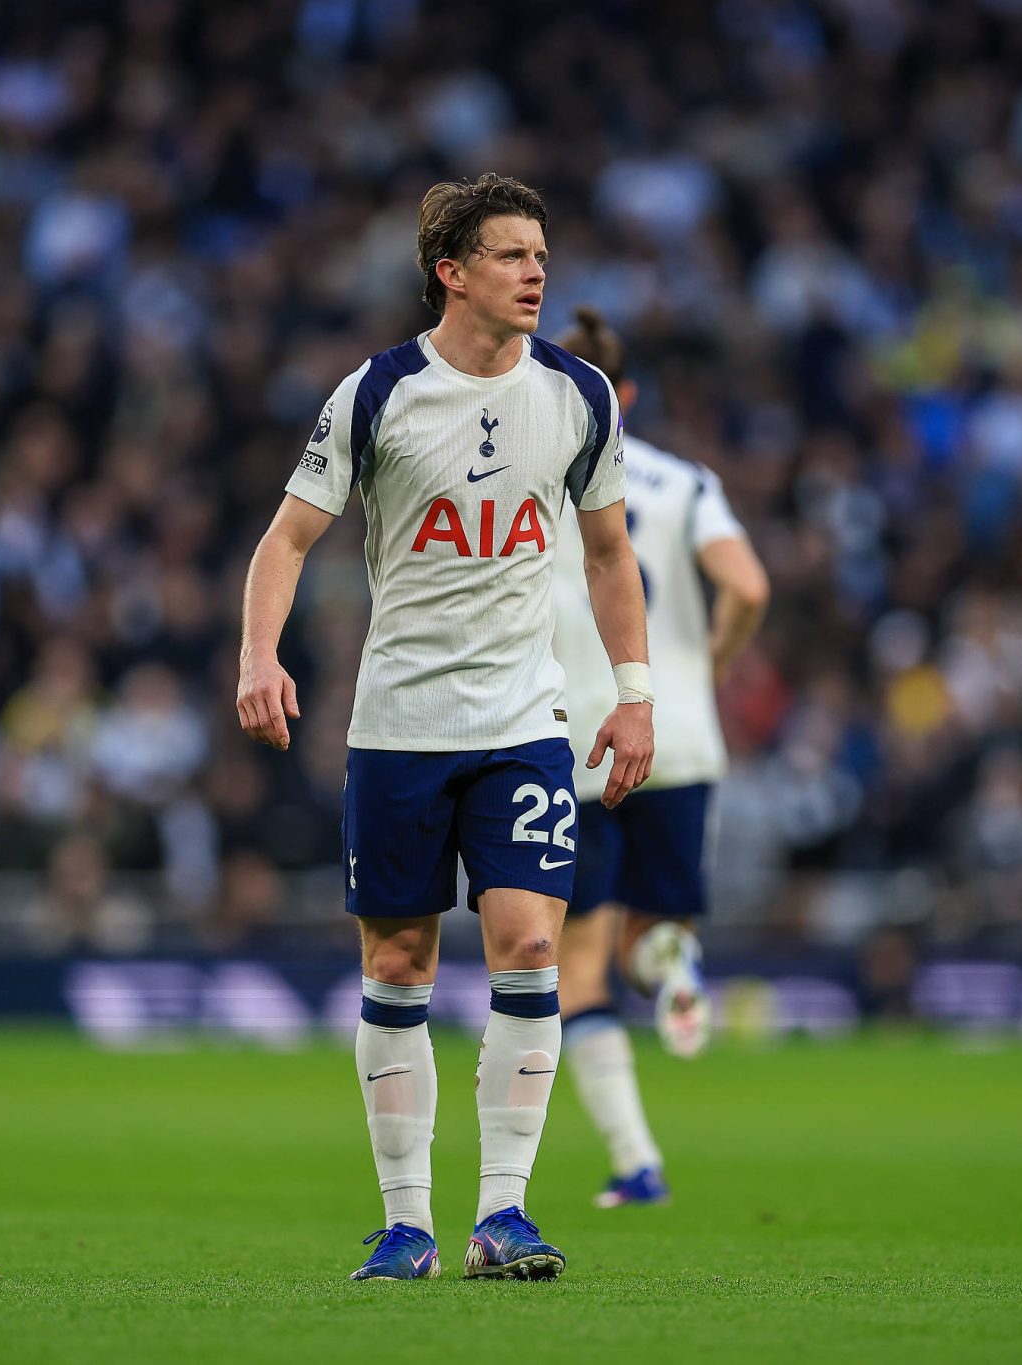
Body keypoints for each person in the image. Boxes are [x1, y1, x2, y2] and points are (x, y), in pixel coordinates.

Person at [236, 175, 654, 1282]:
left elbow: (610, 556)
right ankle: (406, 1222)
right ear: (450, 273)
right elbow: (285, 541)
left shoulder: (578, 396)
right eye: (511, 256)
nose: (535, 274)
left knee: (528, 949)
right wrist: (256, 655)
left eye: (541, 256)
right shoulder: (376, 394)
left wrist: (634, 690)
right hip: (400, 724)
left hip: (523, 720)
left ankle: (502, 1217)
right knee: (399, 961)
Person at [549, 306, 770, 1208]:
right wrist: (707, 665)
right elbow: (749, 585)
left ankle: (638, 1163)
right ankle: (674, 969)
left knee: (579, 966)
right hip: (678, 733)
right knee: (652, 935)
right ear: (627, 393)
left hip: (576, 742)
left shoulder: (536, 481)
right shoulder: (686, 481)